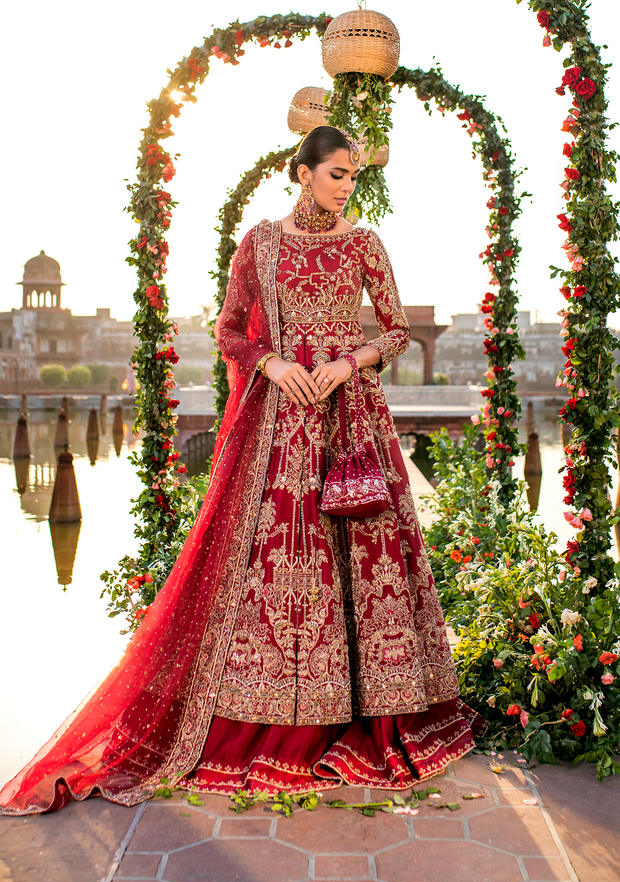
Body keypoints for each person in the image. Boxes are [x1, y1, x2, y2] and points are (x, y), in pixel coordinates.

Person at [1, 126, 483, 816]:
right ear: (303, 171)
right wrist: (275, 362)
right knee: (273, 567)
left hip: (350, 417)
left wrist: (350, 362)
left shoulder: (364, 243)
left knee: (362, 563)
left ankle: (372, 714)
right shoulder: (260, 243)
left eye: (354, 176)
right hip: (278, 424)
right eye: (337, 173)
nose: (347, 186)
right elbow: (227, 329)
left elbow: (396, 329)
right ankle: (268, 719)